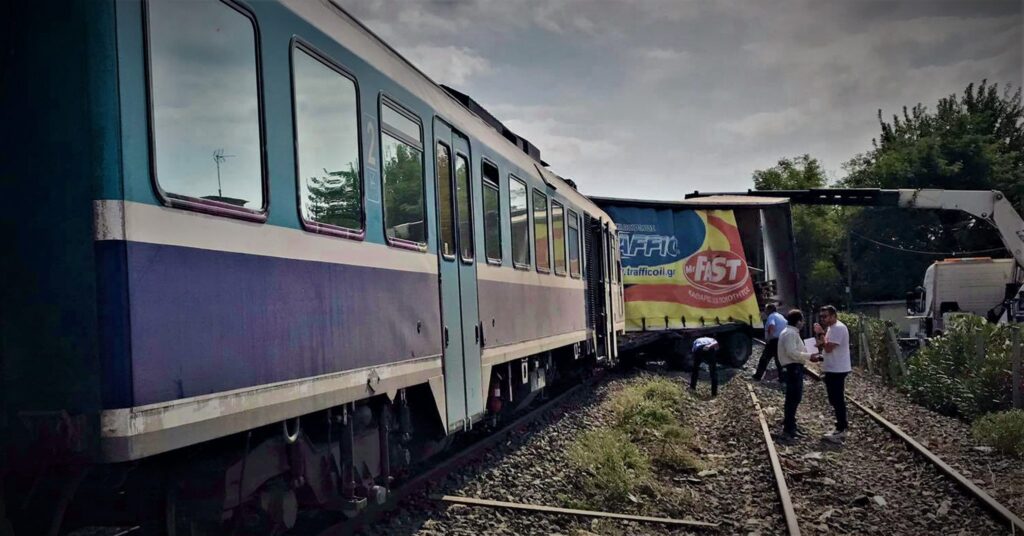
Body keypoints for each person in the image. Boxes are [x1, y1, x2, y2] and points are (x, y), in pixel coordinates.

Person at [778, 309, 817, 441]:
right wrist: (809, 356)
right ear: (798, 321)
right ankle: (789, 428)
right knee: (793, 398)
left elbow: (796, 350)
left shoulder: (791, 332)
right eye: (802, 320)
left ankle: (791, 425)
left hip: (794, 367)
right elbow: (791, 352)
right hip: (793, 367)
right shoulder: (790, 334)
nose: (803, 323)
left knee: (794, 398)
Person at [815, 305, 851, 442]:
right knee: (834, 399)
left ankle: (841, 429)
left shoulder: (838, 328)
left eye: (825, 316)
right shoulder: (831, 328)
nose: (823, 319)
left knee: (837, 399)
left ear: (833, 316)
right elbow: (825, 345)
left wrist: (820, 333)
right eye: (821, 317)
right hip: (833, 368)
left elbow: (829, 348)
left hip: (838, 369)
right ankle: (841, 426)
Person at [753, 303, 787, 383]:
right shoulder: (781, 316)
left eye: (766, 309)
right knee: (779, 361)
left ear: (769, 310)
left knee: (764, 359)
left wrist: (769, 338)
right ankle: (782, 378)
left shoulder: (771, 316)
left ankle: (758, 376)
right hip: (782, 340)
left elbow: (772, 326)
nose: (765, 311)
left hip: (773, 341)